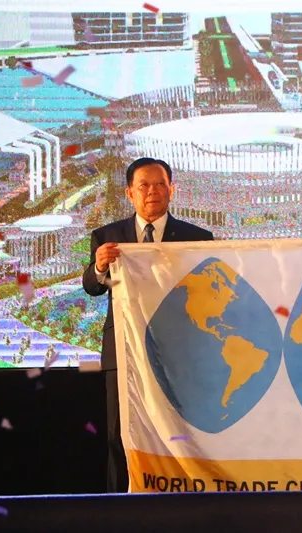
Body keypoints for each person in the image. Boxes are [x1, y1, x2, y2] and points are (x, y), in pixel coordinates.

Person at [82, 157, 214, 493]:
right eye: (144, 185)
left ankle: (183, 505)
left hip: (179, 355)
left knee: (180, 434)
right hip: (123, 351)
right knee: (119, 435)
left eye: (160, 184)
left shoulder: (198, 238)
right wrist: (99, 267)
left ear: (172, 189)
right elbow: (94, 287)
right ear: (130, 192)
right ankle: (118, 508)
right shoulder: (108, 236)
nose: (152, 191)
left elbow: (209, 292)